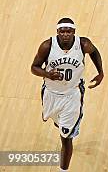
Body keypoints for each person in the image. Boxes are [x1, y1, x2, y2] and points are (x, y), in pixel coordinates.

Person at [31, 18, 104, 172]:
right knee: (58, 123)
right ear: (57, 32)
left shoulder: (83, 44)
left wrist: (100, 72)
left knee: (66, 138)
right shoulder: (47, 46)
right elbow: (34, 67)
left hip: (72, 95)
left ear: (74, 32)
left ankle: (63, 170)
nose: (65, 34)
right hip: (51, 94)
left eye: (68, 31)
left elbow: (95, 52)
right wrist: (47, 74)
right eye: (62, 31)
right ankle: (65, 124)